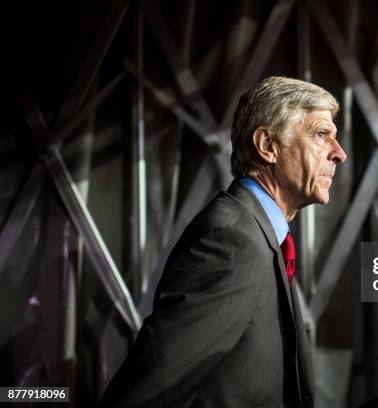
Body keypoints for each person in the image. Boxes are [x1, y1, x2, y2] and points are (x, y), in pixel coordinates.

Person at [99, 76, 347, 407]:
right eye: (320, 135)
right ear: (267, 146)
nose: (339, 153)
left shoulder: (259, 235)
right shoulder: (232, 241)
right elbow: (145, 395)